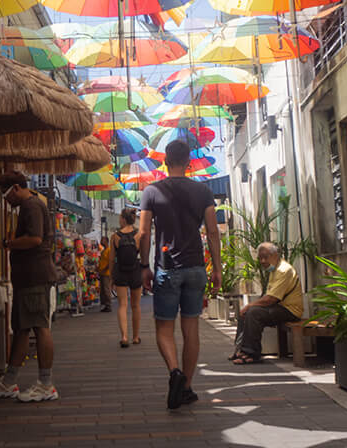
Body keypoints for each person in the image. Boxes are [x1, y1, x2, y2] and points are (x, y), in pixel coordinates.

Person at [139, 140, 221, 409]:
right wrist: (217, 269)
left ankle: (174, 371)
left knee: (164, 328)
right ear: (188, 162)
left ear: (165, 161)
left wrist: (144, 265)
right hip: (196, 267)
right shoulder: (204, 191)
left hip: (167, 268)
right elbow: (212, 232)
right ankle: (186, 386)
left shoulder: (151, 191)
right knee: (191, 329)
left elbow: (143, 232)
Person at [0, 171, 59, 402]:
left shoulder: (31, 206)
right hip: (27, 277)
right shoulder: (30, 205)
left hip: (35, 276)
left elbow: (35, 239)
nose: (5, 199)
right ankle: (9, 381)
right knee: (22, 329)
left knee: (38, 326)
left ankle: (46, 384)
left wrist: (6, 243)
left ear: (16, 188)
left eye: (5, 193)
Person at [231, 242, 303, 365]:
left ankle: (251, 354)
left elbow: (271, 299)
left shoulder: (283, 270)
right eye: (260, 258)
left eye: (266, 257)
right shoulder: (274, 269)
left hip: (290, 310)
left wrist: (249, 305)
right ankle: (240, 350)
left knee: (253, 312)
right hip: (279, 307)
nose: (263, 261)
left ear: (275, 255)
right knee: (247, 312)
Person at [109, 208, 143, 347]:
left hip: (121, 271)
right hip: (135, 270)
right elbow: (143, 254)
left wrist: (111, 276)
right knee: (136, 305)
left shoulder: (115, 237)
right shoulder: (139, 235)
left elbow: (111, 259)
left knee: (122, 305)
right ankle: (135, 337)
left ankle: (124, 336)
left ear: (123, 219)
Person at [97, 236, 112, 312]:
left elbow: (110, 262)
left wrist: (105, 269)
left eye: (102, 240)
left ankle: (108, 305)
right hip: (102, 273)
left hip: (106, 273)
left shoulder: (109, 250)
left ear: (106, 241)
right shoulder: (103, 251)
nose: (101, 241)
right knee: (103, 290)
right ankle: (105, 305)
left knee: (106, 289)